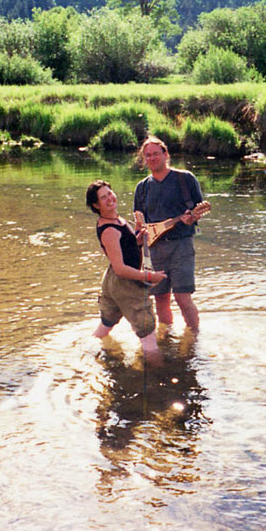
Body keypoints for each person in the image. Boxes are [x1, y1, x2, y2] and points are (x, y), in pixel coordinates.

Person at [133, 136, 209, 334]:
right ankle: (166, 338)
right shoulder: (141, 188)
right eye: (147, 155)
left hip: (181, 245)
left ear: (166, 154)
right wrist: (138, 235)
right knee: (160, 299)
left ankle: (193, 339)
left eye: (156, 154)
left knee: (183, 297)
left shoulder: (185, 179)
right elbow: (139, 222)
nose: (152, 158)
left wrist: (191, 218)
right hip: (155, 249)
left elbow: (196, 212)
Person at [86, 179, 166, 363]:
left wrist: (138, 237)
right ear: (96, 205)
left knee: (106, 324)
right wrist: (149, 276)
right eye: (103, 198)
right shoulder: (109, 230)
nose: (109, 199)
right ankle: (161, 375)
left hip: (112, 282)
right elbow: (121, 269)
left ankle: (87, 352)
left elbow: (126, 247)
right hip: (124, 283)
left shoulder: (117, 220)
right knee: (148, 334)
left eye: (110, 193)